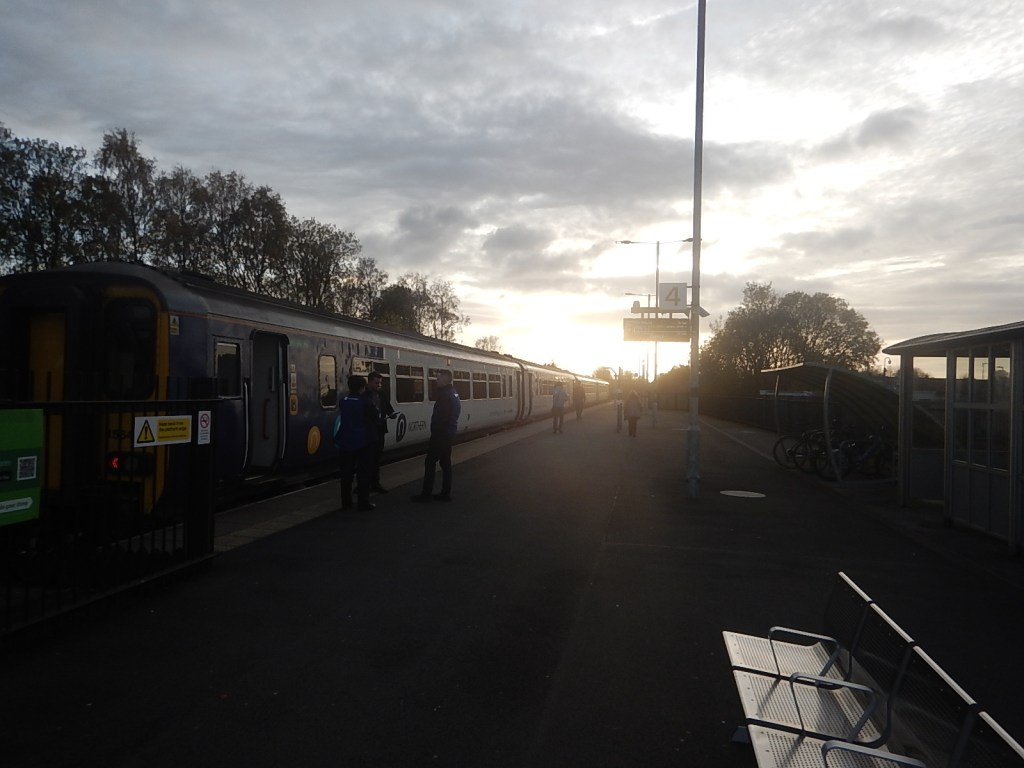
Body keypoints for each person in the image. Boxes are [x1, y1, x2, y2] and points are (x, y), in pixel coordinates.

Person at [411, 369, 461, 503]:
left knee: (430, 462)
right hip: (448, 433)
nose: (436, 381)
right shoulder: (453, 392)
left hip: (441, 434)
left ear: (445, 380)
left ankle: (426, 494)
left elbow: (442, 417)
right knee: (445, 463)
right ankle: (445, 493)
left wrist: (436, 431)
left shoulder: (445, 396)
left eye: (438, 378)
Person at [334, 375, 380, 511]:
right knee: (363, 473)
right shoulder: (366, 402)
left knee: (346, 474)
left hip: (345, 441)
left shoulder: (343, 401)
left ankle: (346, 503)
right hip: (363, 442)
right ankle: (363, 502)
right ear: (362, 387)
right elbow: (375, 417)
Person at [363, 370, 396, 494]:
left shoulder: (381, 394)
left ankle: (375, 483)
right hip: (368, 431)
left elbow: (387, 407)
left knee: (376, 458)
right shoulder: (364, 395)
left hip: (380, 429)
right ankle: (364, 484)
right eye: (377, 383)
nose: (379, 385)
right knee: (366, 459)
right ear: (370, 382)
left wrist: (392, 414)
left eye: (380, 383)